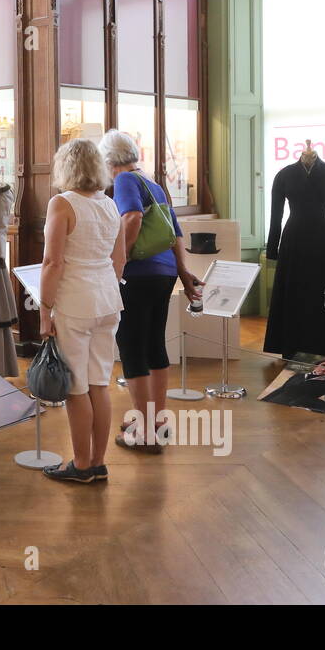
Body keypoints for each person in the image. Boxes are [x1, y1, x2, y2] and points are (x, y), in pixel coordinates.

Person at [102, 130, 202, 451]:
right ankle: (157, 420)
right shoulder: (153, 183)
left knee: (131, 348)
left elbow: (130, 217)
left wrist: (121, 260)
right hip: (164, 273)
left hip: (139, 274)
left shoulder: (124, 181)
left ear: (108, 160)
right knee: (155, 345)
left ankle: (143, 431)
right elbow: (175, 232)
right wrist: (184, 274)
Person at [38, 139, 125, 483]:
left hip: (76, 303)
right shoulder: (109, 205)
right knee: (98, 384)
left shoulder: (62, 204)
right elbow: (119, 260)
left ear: (65, 167)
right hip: (108, 300)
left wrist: (45, 311)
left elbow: (52, 262)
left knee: (76, 388)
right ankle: (98, 461)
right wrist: (106, 285)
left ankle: (82, 464)